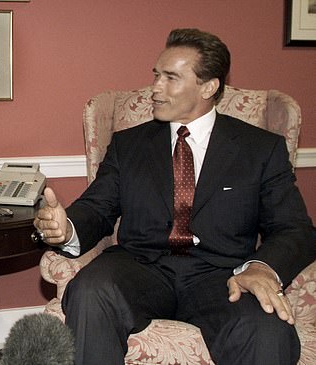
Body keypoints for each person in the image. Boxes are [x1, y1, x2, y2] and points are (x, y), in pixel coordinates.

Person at [34, 28, 316, 365]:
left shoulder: (259, 149)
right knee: (92, 290)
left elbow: (295, 228)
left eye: (171, 78)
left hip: (222, 275)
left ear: (209, 86)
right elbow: (98, 207)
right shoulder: (129, 145)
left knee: (267, 327)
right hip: (140, 268)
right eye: (156, 75)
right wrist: (66, 229)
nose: (155, 87)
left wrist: (261, 269)